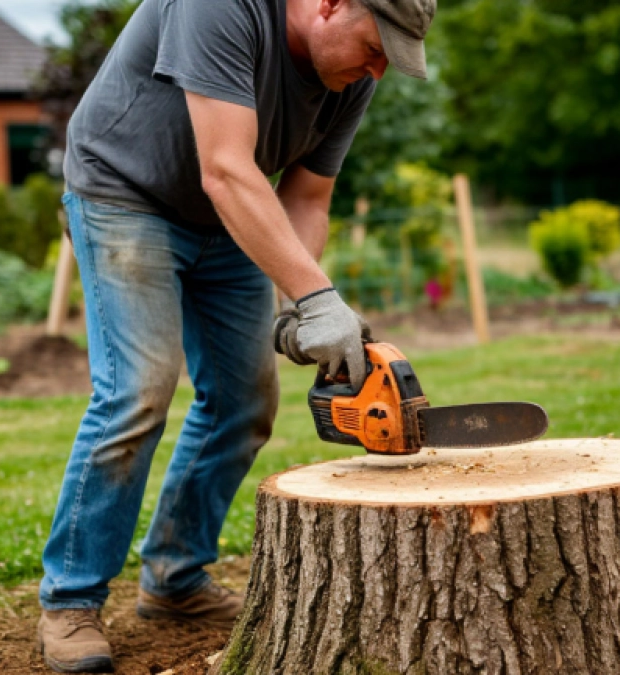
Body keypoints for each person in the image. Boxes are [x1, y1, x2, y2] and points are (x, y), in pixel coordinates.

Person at [36, 0, 436, 670]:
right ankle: (71, 600)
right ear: (331, 5)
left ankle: (174, 578)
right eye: (375, 48)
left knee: (246, 400)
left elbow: (306, 198)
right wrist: (317, 298)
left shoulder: (351, 81)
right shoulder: (223, 7)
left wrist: (299, 306)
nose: (379, 70)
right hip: (123, 192)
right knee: (139, 389)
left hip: (224, 214)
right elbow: (224, 165)